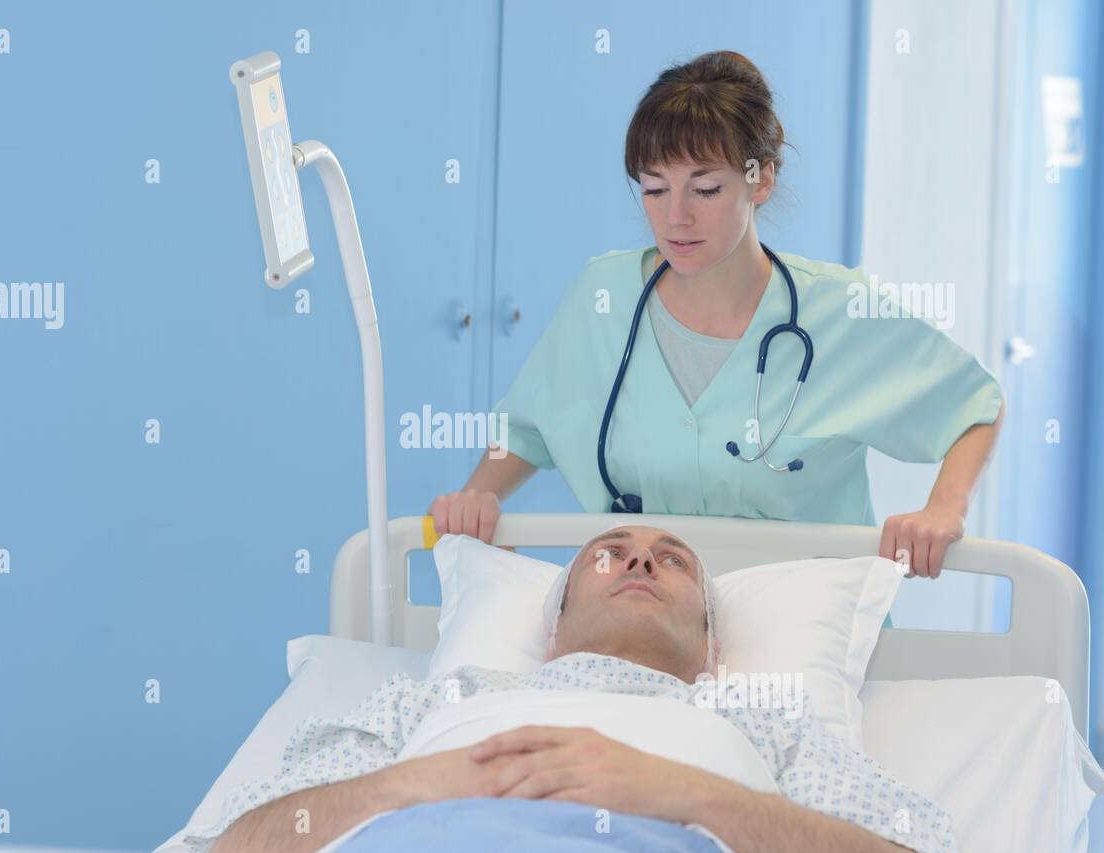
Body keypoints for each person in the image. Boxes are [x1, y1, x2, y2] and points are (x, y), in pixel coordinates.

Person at [429, 50, 1004, 581]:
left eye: (704, 189)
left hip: (804, 636)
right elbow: (528, 430)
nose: (674, 217)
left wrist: (943, 508)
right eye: (654, 190)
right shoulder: (602, 298)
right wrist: (478, 498)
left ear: (761, 179)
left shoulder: (839, 312)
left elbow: (977, 407)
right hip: (650, 634)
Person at [189, 524, 957, 853]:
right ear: (552, 628)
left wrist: (687, 793)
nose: (640, 563)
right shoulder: (439, 698)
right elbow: (241, 843)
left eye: (673, 561)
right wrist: (424, 781)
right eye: (608, 554)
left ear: (713, 644)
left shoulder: (762, 722)